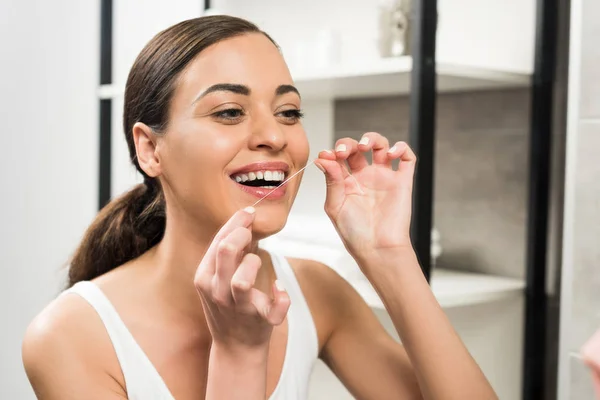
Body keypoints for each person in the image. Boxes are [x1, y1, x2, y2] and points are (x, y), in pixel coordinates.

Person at [21, 15, 497, 400]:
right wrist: (239, 354)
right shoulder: (71, 336)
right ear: (150, 149)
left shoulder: (317, 292)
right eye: (230, 111)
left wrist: (388, 253)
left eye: (288, 112)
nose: (274, 135)